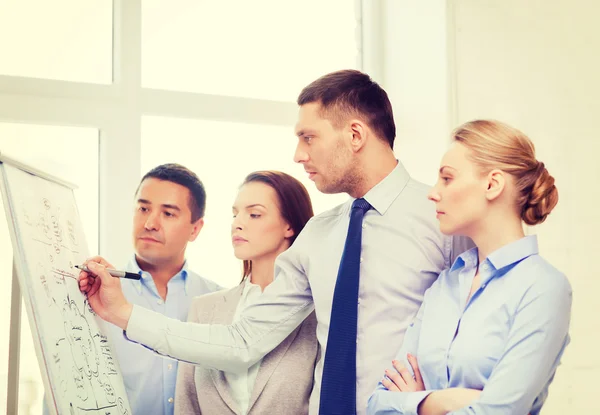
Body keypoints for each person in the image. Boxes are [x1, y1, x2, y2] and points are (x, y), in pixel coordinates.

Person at [78, 69, 472, 415]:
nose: (298, 154)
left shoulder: (444, 219)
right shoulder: (318, 236)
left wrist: (437, 399)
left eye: (309, 137)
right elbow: (242, 340)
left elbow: (483, 338)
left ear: (355, 135)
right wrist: (124, 313)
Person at [367, 120, 572, 415]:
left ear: (492, 184)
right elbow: (378, 404)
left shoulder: (544, 288)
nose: (433, 193)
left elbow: (499, 412)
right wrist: (445, 400)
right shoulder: (444, 285)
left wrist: (417, 401)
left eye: (447, 179)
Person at [174, 170, 319, 414]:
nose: (237, 223)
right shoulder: (205, 309)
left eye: (254, 214)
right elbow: (186, 403)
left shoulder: (317, 314)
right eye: (235, 214)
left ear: (289, 226)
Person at [90, 163, 222, 415]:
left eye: (168, 213)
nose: (150, 223)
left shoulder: (218, 302)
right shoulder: (95, 295)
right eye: (143, 208)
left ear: (195, 229)